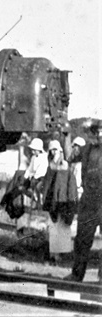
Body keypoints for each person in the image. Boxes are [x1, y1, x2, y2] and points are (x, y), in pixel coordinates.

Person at [64, 119, 102, 283]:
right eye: (96, 132)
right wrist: (66, 135)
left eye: (101, 132)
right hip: (89, 199)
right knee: (81, 240)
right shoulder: (87, 149)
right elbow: (68, 157)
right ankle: (76, 275)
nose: (98, 135)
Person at [41, 139, 77, 262]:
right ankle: (53, 254)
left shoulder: (65, 165)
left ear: (59, 150)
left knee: (62, 226)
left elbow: (67, 184)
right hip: (53, 201)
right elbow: (47, 183)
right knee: (54, 227)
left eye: (55, 149)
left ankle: (60, 255)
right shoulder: (50, 165)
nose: (53, 152)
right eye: (51, 149)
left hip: (63, 199)